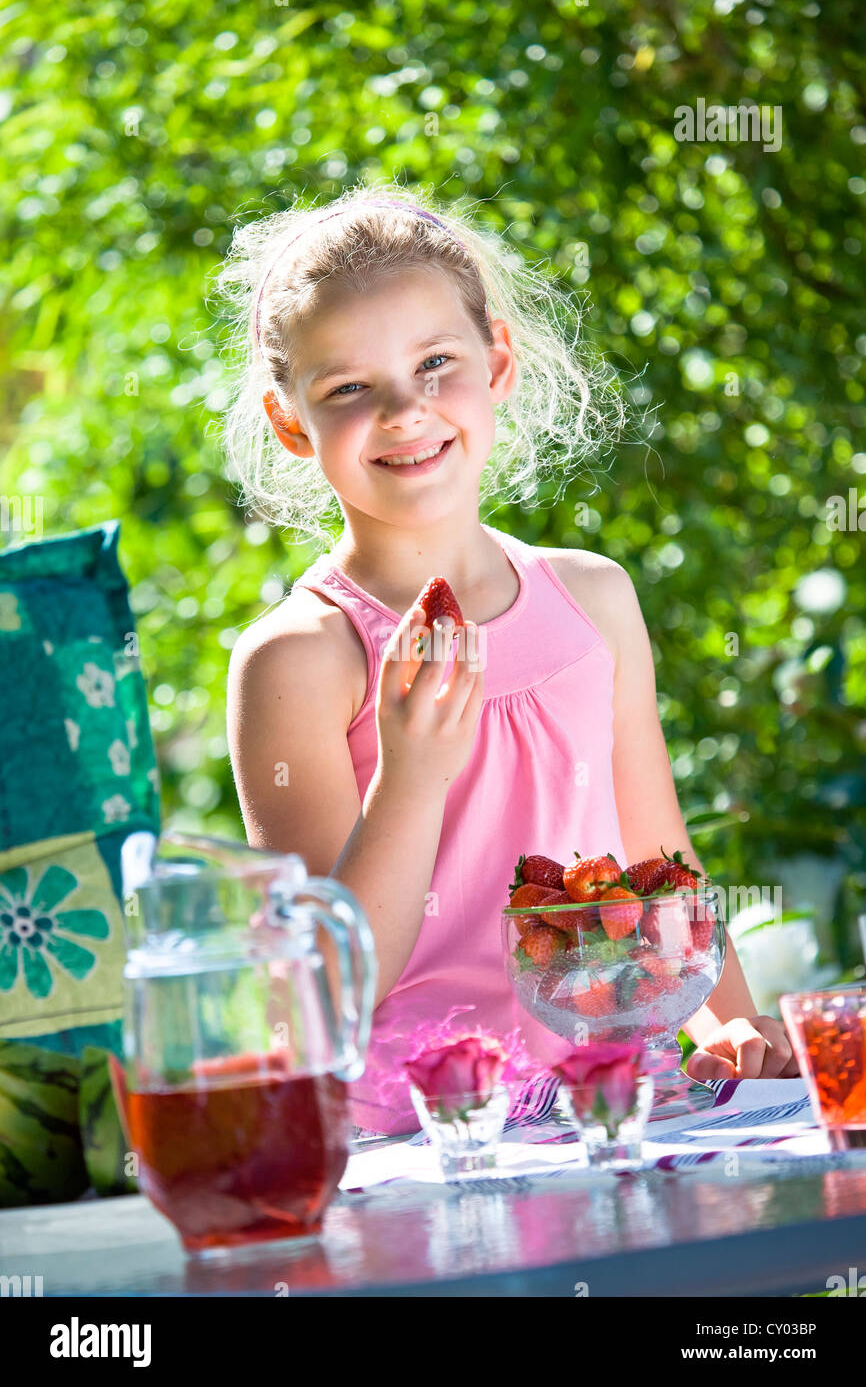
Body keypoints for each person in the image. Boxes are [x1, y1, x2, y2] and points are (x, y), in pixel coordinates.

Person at [219, 186, 798, 1135]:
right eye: (349, 389)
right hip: (418, 1135)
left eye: (435, 363)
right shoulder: (297, 659)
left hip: (623, 1103)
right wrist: (410, 775)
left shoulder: (594, 601)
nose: (405, 412)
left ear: (497, 364)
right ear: (293, 423)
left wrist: (732, 1027)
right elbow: (329, 992)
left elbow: (662, 863)